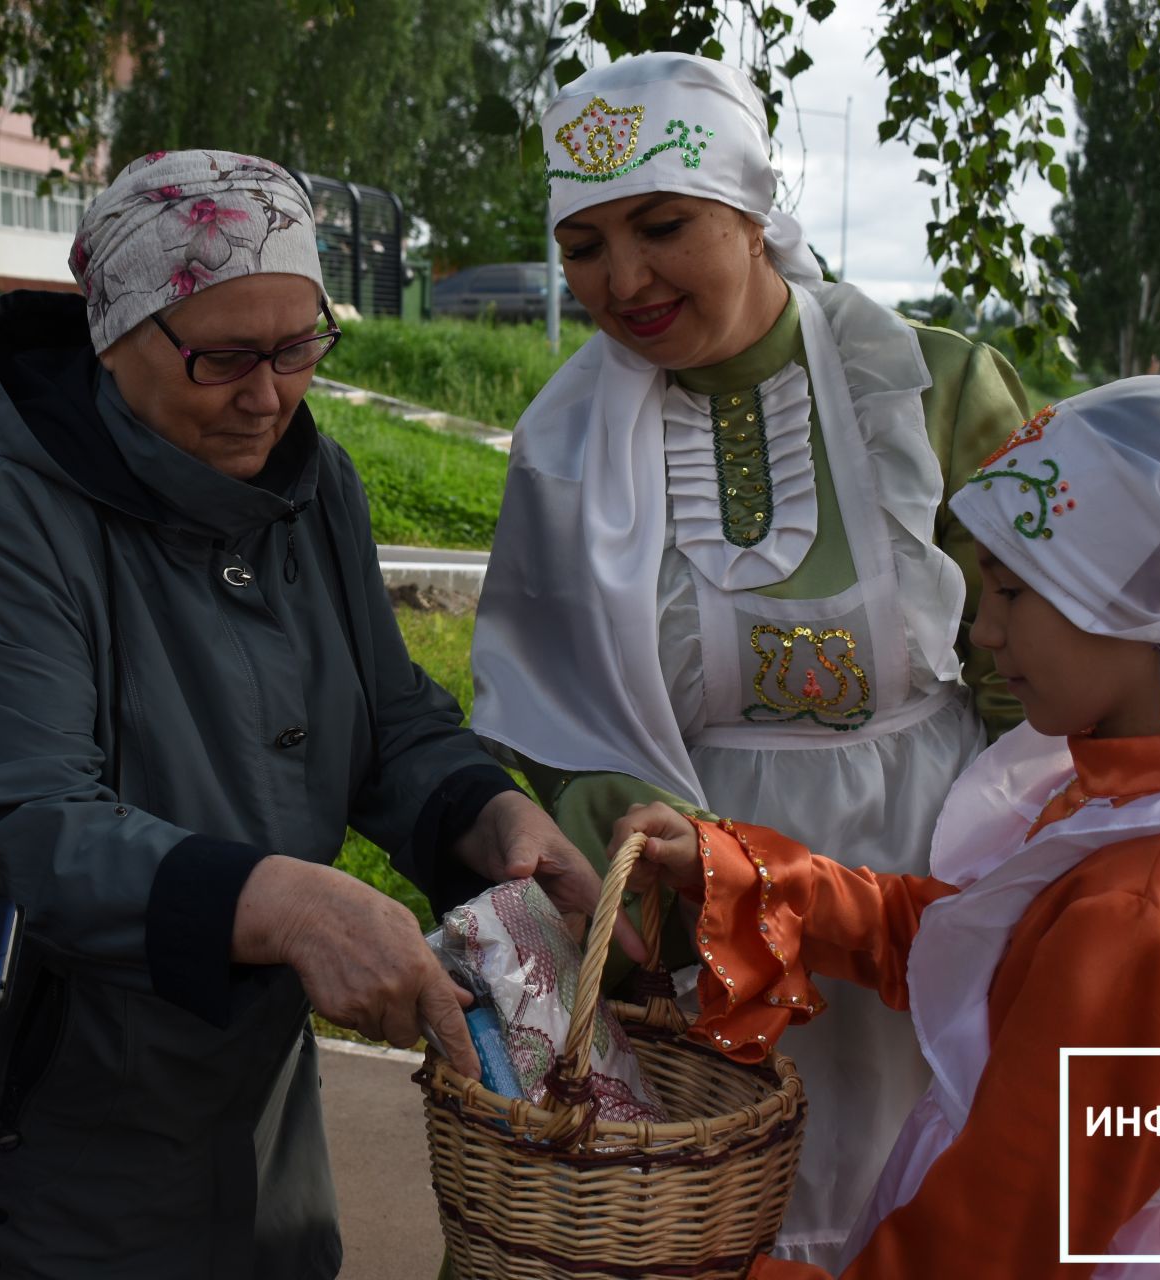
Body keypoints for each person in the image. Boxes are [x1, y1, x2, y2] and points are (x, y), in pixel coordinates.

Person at [0, 149, 614, 1280]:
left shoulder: (312, 487)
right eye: (222, 357)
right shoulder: (8, 513)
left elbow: (391, 713)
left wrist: (490, 815)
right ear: (116, 333)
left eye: (297, 347)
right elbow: (12, 819)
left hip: (252, 1122)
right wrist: (278, 901)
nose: (268, 396)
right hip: (53, 1133)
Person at [468, 52, 1030, 1266]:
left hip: (925, 890)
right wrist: (597, 813)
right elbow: (534, 707)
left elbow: (1048, 672)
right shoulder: (564, 445)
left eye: (662, 225)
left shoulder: (930, 387)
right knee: (715, 1219)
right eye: (584, 245)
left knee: (926, 1208)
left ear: (752, 206)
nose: (622, 279)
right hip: (695, 922)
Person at [615, 377, 1160, 1277]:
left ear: (1151, 599)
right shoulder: (1145, 803)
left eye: (1012, 593)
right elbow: (965, 945)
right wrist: (736, 873)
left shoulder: (1137, 902)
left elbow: (993, 1245)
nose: (983, 633)